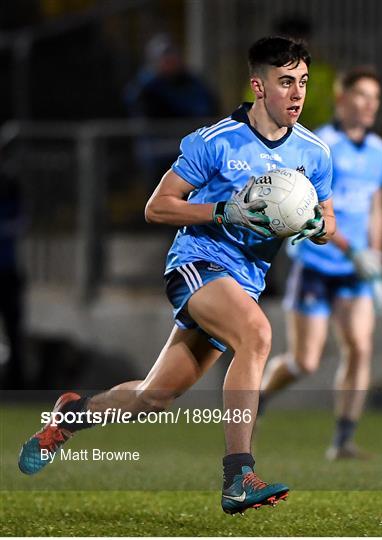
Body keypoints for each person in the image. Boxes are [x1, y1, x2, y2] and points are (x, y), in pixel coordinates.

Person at [19, 36, 335, 515]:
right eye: (285, 82)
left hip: (243, 283)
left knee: (153, 397)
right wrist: (225, 211)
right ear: (257, 85)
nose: (296, 94)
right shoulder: (215, 141)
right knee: (257, 335)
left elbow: (328, 220)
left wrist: (316, 226)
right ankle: (238, 477)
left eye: (303, 83)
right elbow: (158, 207)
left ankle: (70, 417)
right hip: (197, 264)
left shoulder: (314, 153)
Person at [259, 66, 382, 460]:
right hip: (317, 263)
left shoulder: (380, 150)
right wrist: (354, 251)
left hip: (357, 270)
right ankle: (259, 399)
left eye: (375, 97)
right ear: (341, 98)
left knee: (359, 348)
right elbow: (311, 211)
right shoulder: (319, 145)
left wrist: (376, 258)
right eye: (362, 95)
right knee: (305, 361)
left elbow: (375, 207)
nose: (370, 105)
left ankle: (343, 440)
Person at [125, 33, 218, 191]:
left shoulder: (192, 83)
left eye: (172, 56)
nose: (170, 62)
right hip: (157, 156)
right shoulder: (147, 87)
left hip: (189, 157)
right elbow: (137, 105)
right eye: (164, 58)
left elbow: (206, 108)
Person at [0, 164, 26, 390]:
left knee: (14, 329)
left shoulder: (9, 185)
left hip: (7, 269)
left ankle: (16, 384)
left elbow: (19, 222)